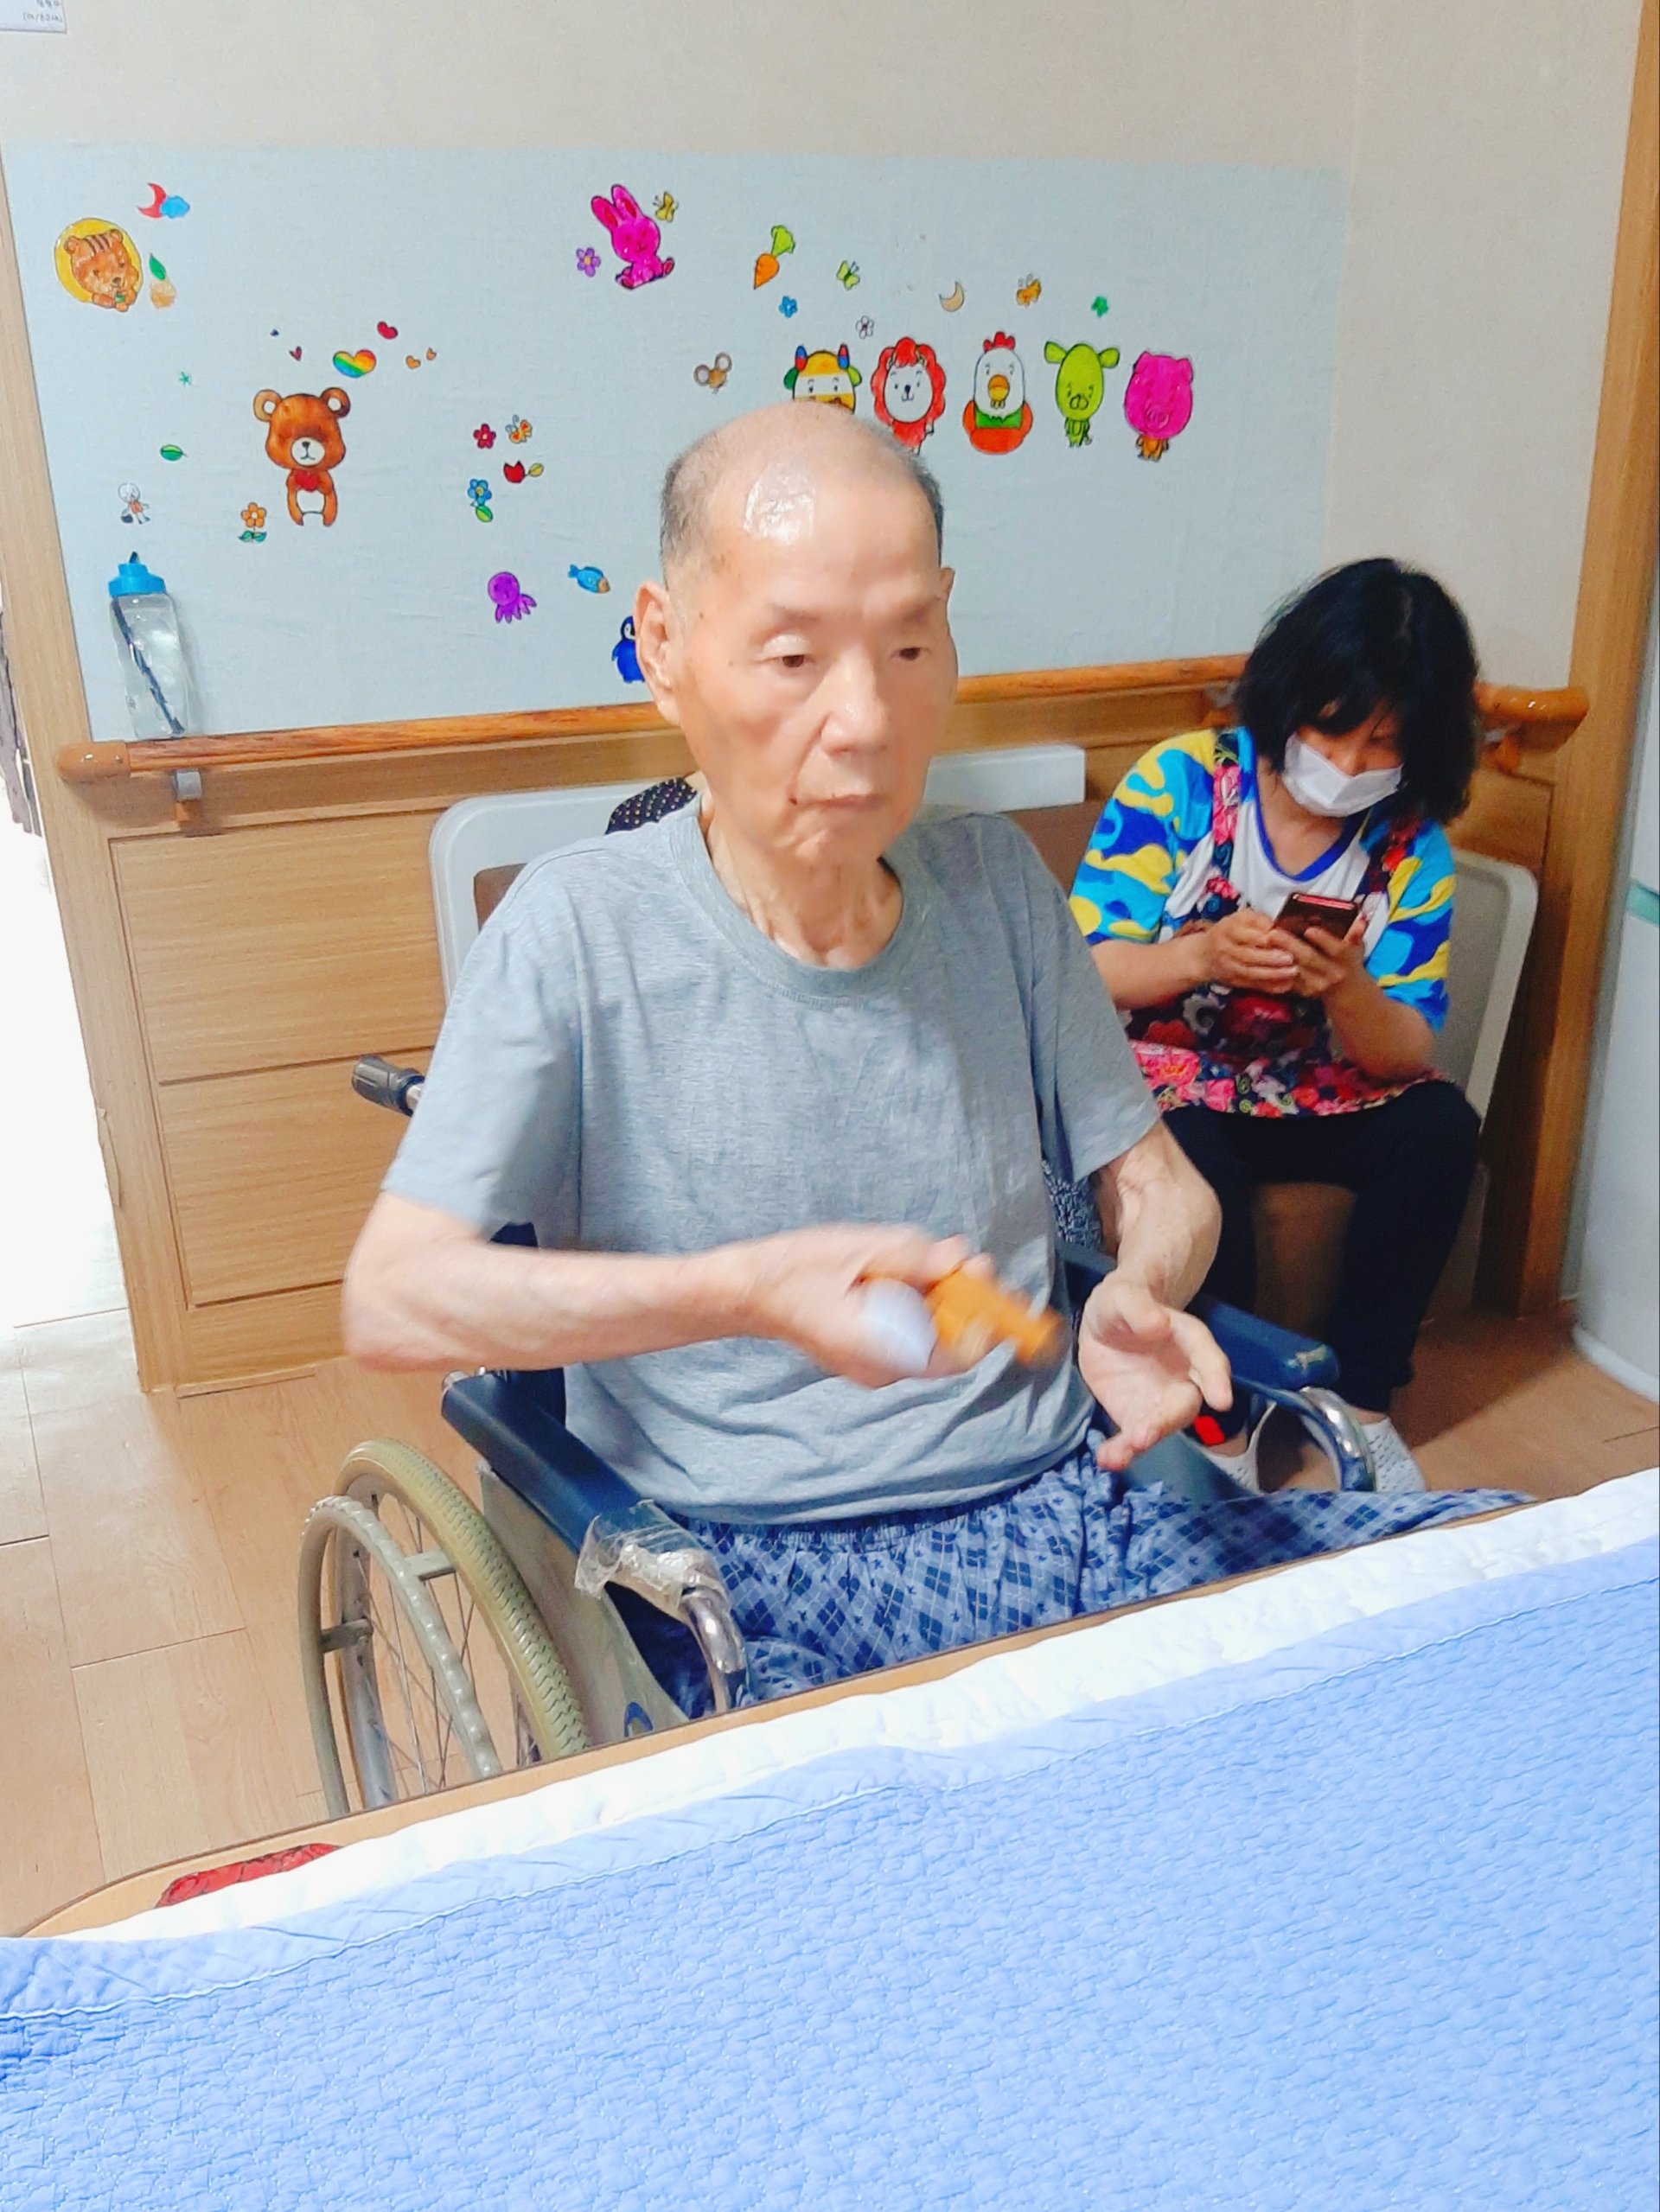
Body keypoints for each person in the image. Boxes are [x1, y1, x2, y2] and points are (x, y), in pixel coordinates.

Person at [344, 418, 1509, 1713]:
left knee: (1496, 1572)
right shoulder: (572, 928)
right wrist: (745, 1290)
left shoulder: (999, 886)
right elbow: (396, 1296)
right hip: (746, 1579)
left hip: (1070, 1515)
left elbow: (1162, 1183)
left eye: (908, 648)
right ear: (663, 646)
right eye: (794, 656)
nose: (865, 720)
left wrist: (1139, 1286)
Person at [1069, 560, 1484, 1494]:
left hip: (1313, 1090)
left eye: (1384, 743)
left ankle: (1364, 1407)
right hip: (1171, 1076)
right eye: (1334, 727)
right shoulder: (1182, 781)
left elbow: (1404, 1050)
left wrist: (1349, 990)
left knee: (1440, 1128)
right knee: (1193, 1167)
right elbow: (1082, 970)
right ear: (1293, 694)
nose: (1350, 764)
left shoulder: (1410, 845)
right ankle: (1224, 1421)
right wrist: (1201, 958)